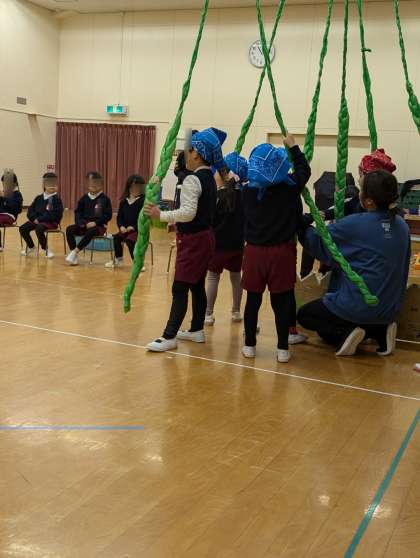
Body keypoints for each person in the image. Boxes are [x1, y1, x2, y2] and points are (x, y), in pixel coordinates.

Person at [297, 170, 410, 357]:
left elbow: (320, 243)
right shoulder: (402, 226)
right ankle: (380, 331)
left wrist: (301, 226)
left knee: (306, 316)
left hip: (359, 306)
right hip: (389, 309)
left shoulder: (356, 224)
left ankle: (348, 332)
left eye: (361, 189)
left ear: (369, 201)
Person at [145, 127, 226, 352]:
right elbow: (199, 212)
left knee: (179, 287)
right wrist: (177, 224)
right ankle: (196, 329)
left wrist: (161, 215)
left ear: (196, 154)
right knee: (197, 285)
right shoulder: (210, 178)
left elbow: (188, 212)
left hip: (194, 242)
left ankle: (169, 336)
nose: (184, 155)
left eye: (187, 150)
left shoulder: (193, 179)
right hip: (205, 238)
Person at [241, 134, 311, 363]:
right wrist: (293, 147)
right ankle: (282, 349)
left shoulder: (247, 192)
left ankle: (249, 345)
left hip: (254, 252)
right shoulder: (290, 187)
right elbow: (304, 170)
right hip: (282, 253)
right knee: (281, 302)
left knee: (253, 300)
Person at [205, 152, 247, 326]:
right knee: (236, 278)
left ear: (224, 174)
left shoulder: (216, 196)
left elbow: (209, 220)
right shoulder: (244, 196)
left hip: (218, 246)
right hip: (237, 245)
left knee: (213, 277)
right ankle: (236, 312)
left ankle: (208, 314)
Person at [65, 171, 112, 266]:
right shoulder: (84, 198)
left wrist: (96, 223)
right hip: (84, 224)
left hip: (98, 226)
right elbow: (78, 212)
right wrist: (80, 223)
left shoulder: (105, 199)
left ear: (101, 185)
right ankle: (74, 256)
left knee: (91, 231)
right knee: (69, 229)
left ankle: (75, 252)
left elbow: (108, 215)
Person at [19, 172, 64, 259]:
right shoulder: (38, 198)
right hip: (37, 221)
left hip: (51, 222)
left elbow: (52, 214)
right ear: (44, 185)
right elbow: (30, 210)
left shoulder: (56, 199)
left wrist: (39, 219)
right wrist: (34, 218)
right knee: (23, 228)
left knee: (39, 228)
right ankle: (31, 247)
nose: (52, 186)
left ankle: (46, 249)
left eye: (54, 184)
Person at [105, 174, 145, 268]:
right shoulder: (123, 201)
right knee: (117, 238)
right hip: (126, 230)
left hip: (138, 230)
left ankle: (137, 263)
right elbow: (119, 217)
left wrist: (133, 227)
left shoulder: (143, 201)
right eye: (133, 187)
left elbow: (144, 219)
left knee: (130, 240)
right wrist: (121, 226)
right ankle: (118, 259)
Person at [0, 170, 23, 251]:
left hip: (10, 216)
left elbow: (17, 209)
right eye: (3, 183)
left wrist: (5, 197)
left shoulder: (17, 194)